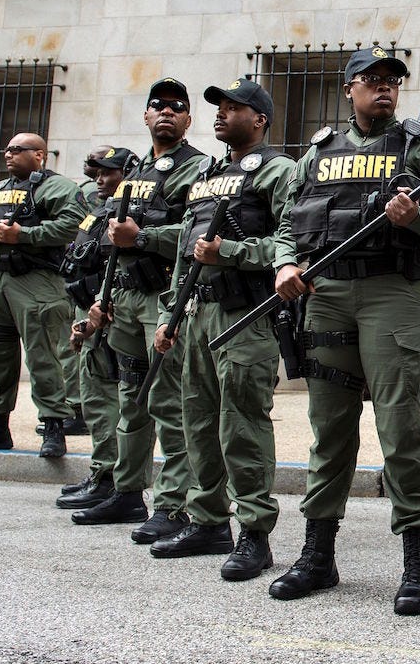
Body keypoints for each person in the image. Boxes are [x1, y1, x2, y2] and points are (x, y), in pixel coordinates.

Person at [269, 46, 420, 614]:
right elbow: (289, 221)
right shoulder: (317, 153)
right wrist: (285, 262)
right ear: (349, 89)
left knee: (401, 430)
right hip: (327, 295)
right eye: (372, 80)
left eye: (392, 81)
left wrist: (419, 219)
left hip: (395, 296)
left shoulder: (419, 148)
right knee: (329, 430)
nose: (384, 88)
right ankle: (317, 556)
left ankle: (417, 563)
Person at [147, 78, 295, 582]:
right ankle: (208, 521)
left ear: (259, 119)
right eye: (219, 108)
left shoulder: (279, 172)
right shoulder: (207, 177)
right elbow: (186, 253)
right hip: (197, 315)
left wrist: (230, 252)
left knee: (243, 425)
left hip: (245, 318)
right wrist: (170, 313)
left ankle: (254, 533)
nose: (221, 115)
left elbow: (294, 246)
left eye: (234, 108)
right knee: (198, 422)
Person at [72, 78, 206, 547]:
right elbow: (111, 242)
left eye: (176, 107)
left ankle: (174, 504)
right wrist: (101, 298)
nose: (165, 112)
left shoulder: (198, 169)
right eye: (157, 106)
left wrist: (143, 236)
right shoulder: (135, 172)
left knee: (168, 399)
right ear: (145, 117)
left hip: (162, 294)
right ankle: (128, 491)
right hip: (123, 297)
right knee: (131, 394)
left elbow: (193, 236)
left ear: (189, 119)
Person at [0, 133, 85, 458]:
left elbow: (73, 225)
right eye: (7, 149)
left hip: (36, 284)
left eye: (18, 150)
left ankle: (54, 426)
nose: (9, 154)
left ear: (40, 155)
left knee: (44, 357)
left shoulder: (58, 187)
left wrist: (24, 235)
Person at [56, 147, 136, 510]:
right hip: (89, 309)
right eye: (97, 173)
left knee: (111, 400)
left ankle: (113, 479)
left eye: (109, 172)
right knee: (94, 397)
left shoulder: (126, 213)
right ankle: (102, 471)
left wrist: (99, 310)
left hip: (109, 314)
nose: (100, 179)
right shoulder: (98, 209)